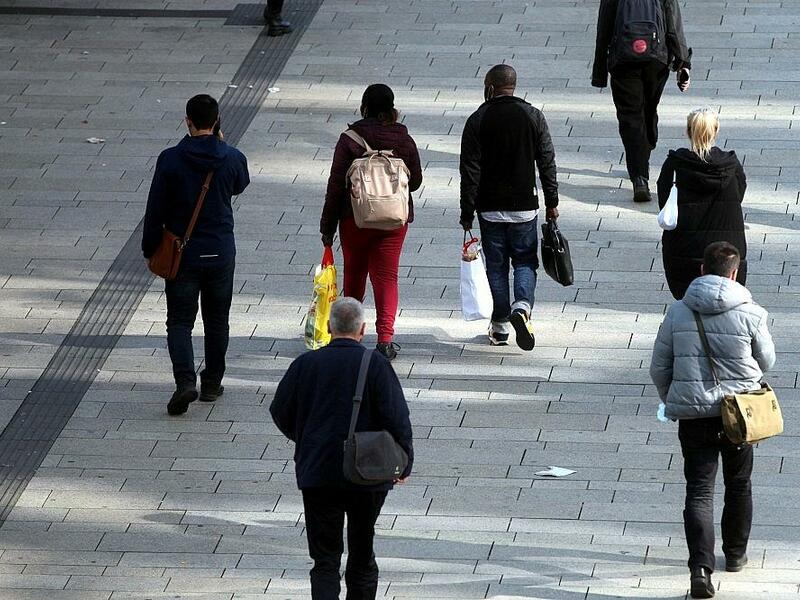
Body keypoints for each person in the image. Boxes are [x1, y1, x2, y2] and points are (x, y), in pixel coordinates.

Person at [650, 242, 775, 599]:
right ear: (734, 273)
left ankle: (700, 570)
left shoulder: (677, 312)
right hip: (740, 414)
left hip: (694, 417)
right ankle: (735, 555)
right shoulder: (752, 313)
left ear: (702, 269)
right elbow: (767, 361)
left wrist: (675, 399)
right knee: (739, 483)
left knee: (699, 491)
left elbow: (659, 366)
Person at [270, 297, 413, 600]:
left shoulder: (305, 364)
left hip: (318, 471)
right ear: (362, 329)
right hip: (368, 473)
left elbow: (280, 410)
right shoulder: (375, 364)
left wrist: (306, 438)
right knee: (362, 556)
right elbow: (397, 417)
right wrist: (404, 463)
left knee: (325, 560)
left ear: (328, 326)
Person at [142, 94, 250, 416]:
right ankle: (213, 383)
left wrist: (150, 248)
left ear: (187, 120)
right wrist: (222, 146)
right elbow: (239, 185)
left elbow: (155, 208)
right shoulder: (233, 157)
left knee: (178, 321)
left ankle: (185, 381)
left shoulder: (171, 159)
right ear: (217, 121)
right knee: (217, 321)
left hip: (182, 255)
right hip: (220, 252)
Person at [459, 64, 560, 350]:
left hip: (489, 207)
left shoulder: (478, 119)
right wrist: (552, 202)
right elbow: (547, 163)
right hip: (524, 205)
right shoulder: (533, 116)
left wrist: (466, 212)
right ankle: (522, 308)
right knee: (526, 261)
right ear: (512, 86)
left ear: (490, 86)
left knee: (497, 265)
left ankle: (501, 324)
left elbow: (469, 170)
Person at [320, 84, 423, 361]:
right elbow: (415, 181)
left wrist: (327, 227)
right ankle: (385, 340)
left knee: (354, 274)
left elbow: (335, 185)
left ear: (364, 107)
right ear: (392, 109)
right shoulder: (403, 139)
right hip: (393, 220)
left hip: (354, 219)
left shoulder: (350, 139)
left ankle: (348, 337)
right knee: (387, 278)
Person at [592, 0, 692, 202]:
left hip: (623, 59)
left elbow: (604, 28)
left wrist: (600, 73)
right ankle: (647, 142)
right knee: (649, 108)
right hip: (656, 58)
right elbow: (673, 23)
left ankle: (639, 176)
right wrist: (683, 63)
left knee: (630, 118)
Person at [658, 108, 747, 299]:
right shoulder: (731, 165)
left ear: (688, 131)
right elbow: (739, 195)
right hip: (727, 255)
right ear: (716, 131)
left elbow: (664, 201)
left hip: (684, 252)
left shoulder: (675, 165)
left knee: (688, 304)